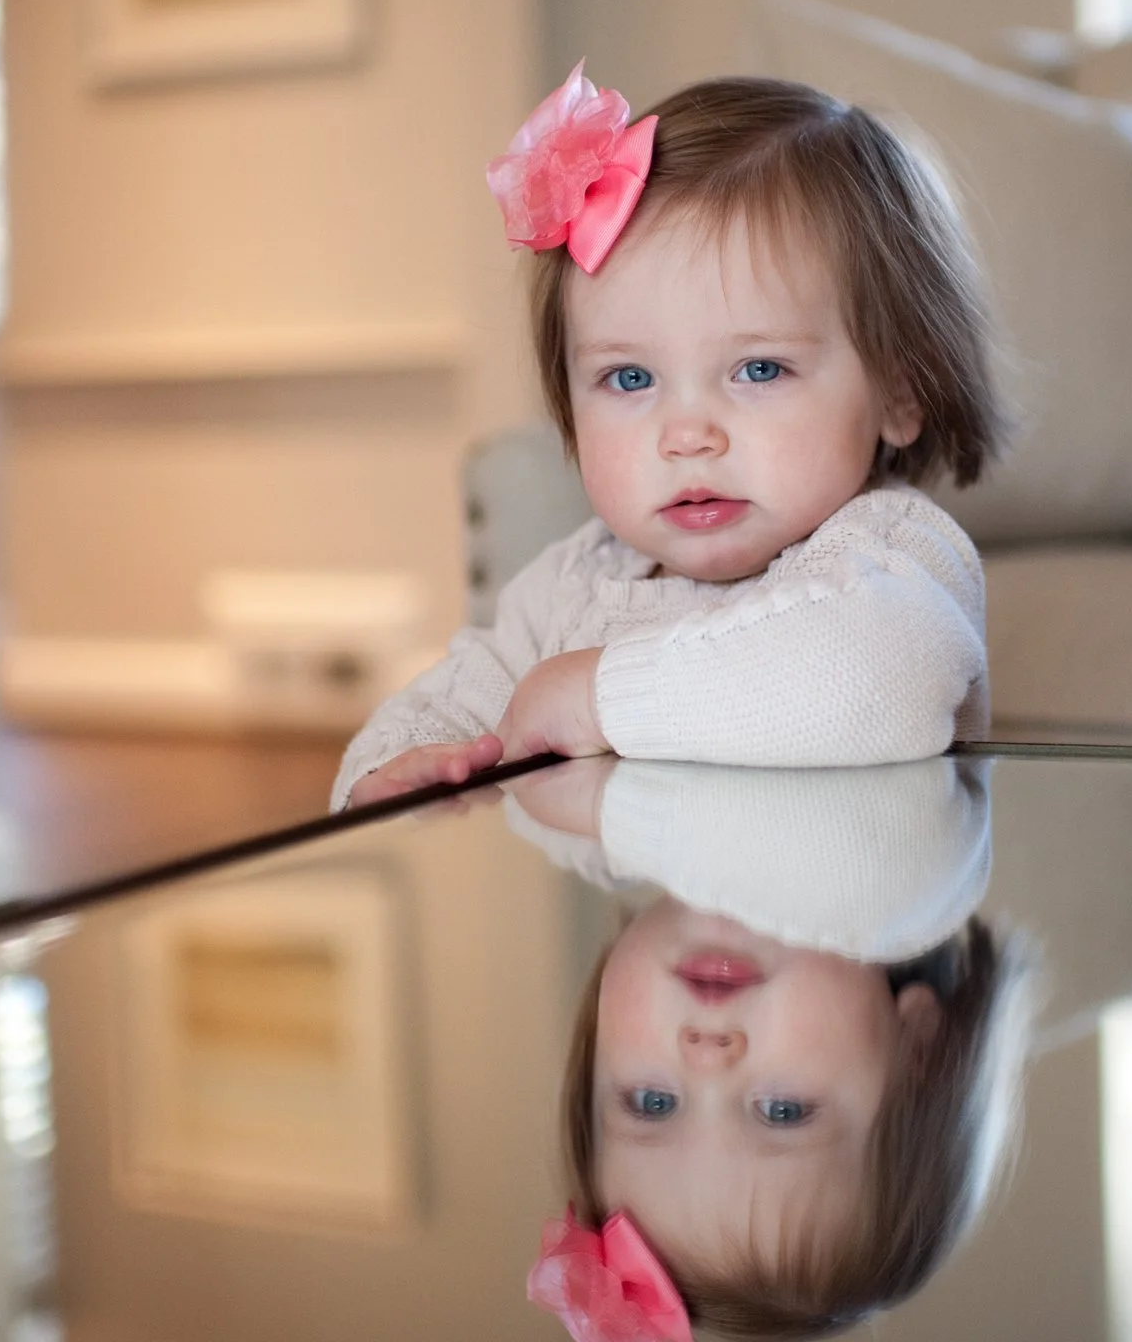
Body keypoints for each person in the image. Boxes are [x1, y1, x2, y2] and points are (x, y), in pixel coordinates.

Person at [330, 65, 1007, 811]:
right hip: (658, 917)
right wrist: (394, 772)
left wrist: (594, 698)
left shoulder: (895, 555)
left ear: (899, 392)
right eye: (629, 379)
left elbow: (873, 683)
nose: (687, 435)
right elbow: (451, 703)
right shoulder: (574, 586)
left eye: (757, 368)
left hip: (840, 918)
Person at [501, 756, 1038, 1342]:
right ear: (919, 1047)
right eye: (782, 1111)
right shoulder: (923, 833)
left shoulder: (561, 807)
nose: (706, 1055)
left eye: (653, 1101)